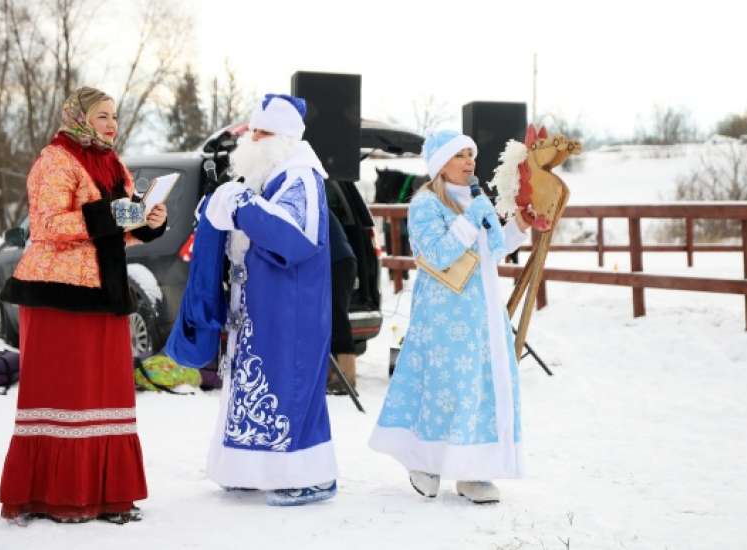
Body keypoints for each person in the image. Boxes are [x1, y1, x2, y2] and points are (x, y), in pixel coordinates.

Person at [0, 86, 167, 524]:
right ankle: (57, 495)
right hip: (59, 296)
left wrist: (149, 222)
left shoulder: (111, 163)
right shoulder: (54, 160)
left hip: (104, 292)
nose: (112, 125)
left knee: (106, 394)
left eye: (114, 116)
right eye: (102, 116)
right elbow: (49, 225)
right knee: (67, 394)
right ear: (78, 117)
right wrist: (115, 213)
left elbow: (117, 225)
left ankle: (108, 494)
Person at [165, 93, 337, 506]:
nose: (253, 138)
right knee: (252, 389)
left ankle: (309, 475)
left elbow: (296, 237)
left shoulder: (301, 177)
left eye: (264, 131)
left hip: (291, 311)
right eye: (252, 130)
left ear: (286, 137)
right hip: (259, 310)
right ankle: (247, 469)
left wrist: (241, 205)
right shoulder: (268, 177)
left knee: (290, 388)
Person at [368, 129, 532, 504]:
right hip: (443, 313)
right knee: (445, 386)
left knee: (476, 387)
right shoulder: (425, 204)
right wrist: (469, 220)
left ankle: (472, 469)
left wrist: (519, 227)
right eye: (459, 155)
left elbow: (494, 249)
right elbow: (438, 254)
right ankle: (425, 461)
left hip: (482, 311)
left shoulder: (479, 200)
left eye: (470, 154)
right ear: (440, 163)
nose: (469, 161)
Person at [327, 208, 358, 394]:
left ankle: (345, 377)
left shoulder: (310, 203)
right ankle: (333, 374)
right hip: (339, 260)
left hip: (338, 262)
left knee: (337, 318)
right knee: (332, 318)